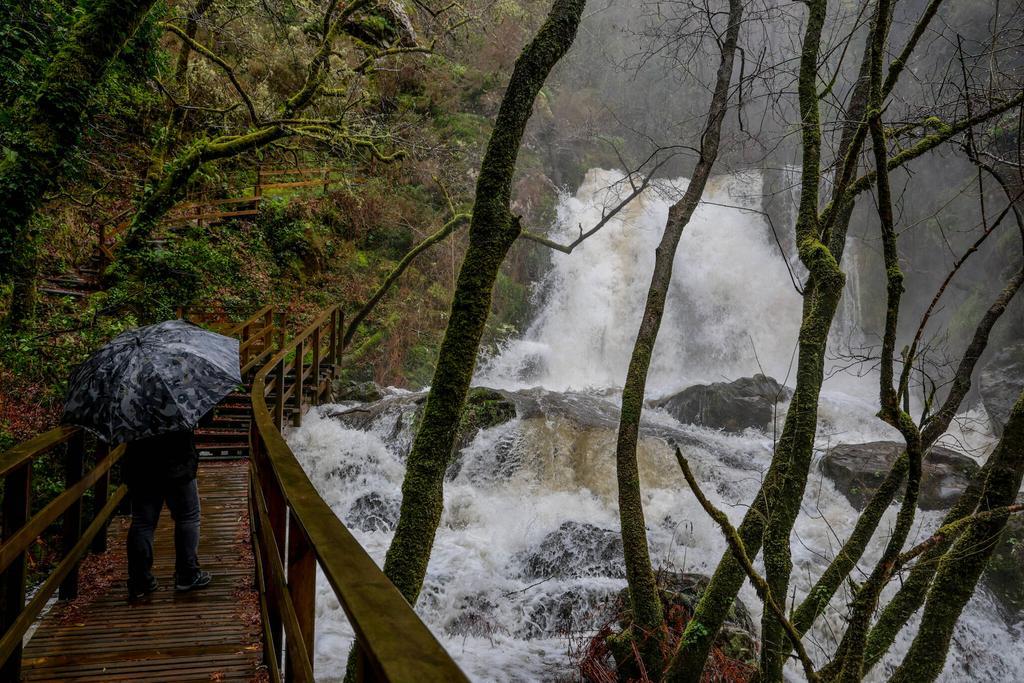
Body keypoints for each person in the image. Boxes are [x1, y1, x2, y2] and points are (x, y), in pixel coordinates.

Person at [123, 429, 211, 601]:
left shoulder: (132, 404)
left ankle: (139, 580)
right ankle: (187, 574)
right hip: (177, 459)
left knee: (142, 522)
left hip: (141, 462)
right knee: (188, 516)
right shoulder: (179, 402)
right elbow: (205, 418)